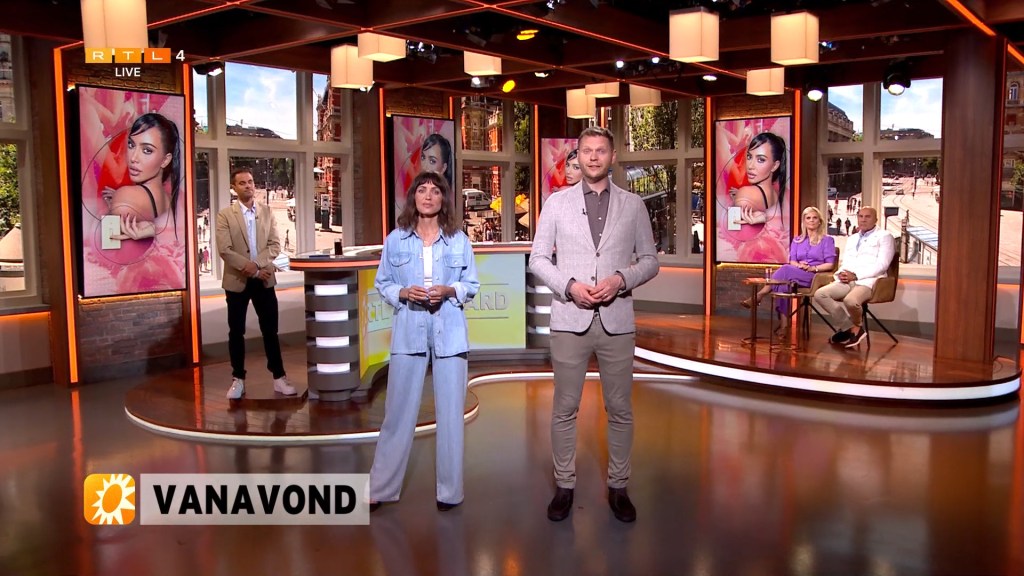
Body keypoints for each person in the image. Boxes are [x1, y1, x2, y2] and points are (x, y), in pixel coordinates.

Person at [529, 126, 660, 523]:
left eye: (600, 150)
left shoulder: (633, 205)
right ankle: (564, 486)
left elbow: (650, 261)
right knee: (564, 408)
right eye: (586, 151)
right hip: (570, 319)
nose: (593, 157)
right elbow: (538, 259)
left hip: (617, 321)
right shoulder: (556, 203)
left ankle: (619, 486)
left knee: (619, 409)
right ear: (578, 157)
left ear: (612, 156)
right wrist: (569, 286)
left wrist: (621, 279)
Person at [369, 171, 479, 512]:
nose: (428, 196)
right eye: (422, 190)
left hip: (450, 331)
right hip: (409, 330)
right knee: (397, 412)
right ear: (413, 197)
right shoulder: (395, 240)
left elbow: (471, 285)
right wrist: (403, 292)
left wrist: (450, 290)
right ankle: (380, 487)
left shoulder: (459, 240)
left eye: (435, 191)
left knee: (451, 415)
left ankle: (450, 492)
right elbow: (383, 283)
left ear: (443, 198)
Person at [217, 167, 296, 399]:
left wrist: (258, 266)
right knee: (236, 332)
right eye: (242, 183)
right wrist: (253, 270)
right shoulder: (225, 215)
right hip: (237, 281)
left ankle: (279, 377)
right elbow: (225, 250)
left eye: (250, 181)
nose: (248, 186)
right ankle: (238, 380)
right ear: (234, 188)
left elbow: (275, 245)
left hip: (264, 280)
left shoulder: (267, 211)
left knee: (270, 331)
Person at [741, 207, 836, 337]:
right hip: (796, 273)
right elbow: (792, 261)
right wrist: (799, 265)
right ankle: (784, 326)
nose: (811, 220)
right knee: (782, 286)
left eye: (815, 218)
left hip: (814, 276)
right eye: (808, 218)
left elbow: (830, 265)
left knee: (785, 269)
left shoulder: (827, 240)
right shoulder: (797, 240)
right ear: (804, 221)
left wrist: (813, 268)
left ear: (820, 221)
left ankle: (760, 295)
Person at [813, 206, 895, 348]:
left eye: (867, 216)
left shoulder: (885, 236)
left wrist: (856, 276)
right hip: (847, 279)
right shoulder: (852, 238)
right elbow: (846, 261)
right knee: (820, 294)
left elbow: (882, 265)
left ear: (876, 219)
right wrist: (841, 273)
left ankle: (855, 328)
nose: (863, 219)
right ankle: (851, 328)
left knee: (850, 301)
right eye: (860, 216)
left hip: (868, 281)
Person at [103, 113, 182, 241]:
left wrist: (120, 200)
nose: (133, 158)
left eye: (147, 150)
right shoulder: (170, 200)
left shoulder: (125, 196)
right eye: (131, 145)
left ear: (165, 160)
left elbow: (105, 240)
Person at [730, 132, 787, 226]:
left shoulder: (745, 194)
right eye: (749, 157)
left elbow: (731, 226)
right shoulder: (776, 194)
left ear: (775, 166)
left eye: (761, 160)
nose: (750, 166)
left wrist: (740, 196)